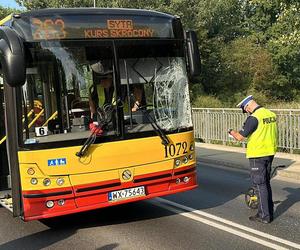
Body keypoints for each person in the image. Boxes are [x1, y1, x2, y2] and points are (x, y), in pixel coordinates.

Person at [228, 95, 277, 224]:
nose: (247, 112)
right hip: (269, 152)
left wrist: (231, 132)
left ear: (248, 106)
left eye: (246, 109)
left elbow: (240, 137)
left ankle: (264, 215)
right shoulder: (270, 114)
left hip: (257, 154)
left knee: (259, 185)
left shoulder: (253, 118)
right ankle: (269, 210)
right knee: (265, 183)